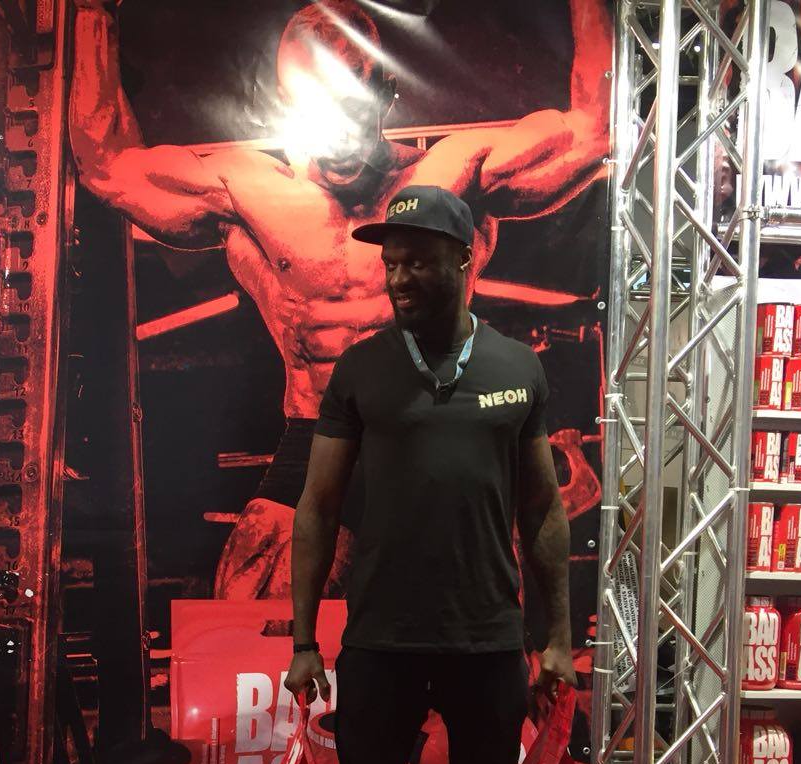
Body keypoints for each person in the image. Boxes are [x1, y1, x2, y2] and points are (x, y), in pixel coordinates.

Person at [69, 0, 609, 599]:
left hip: (430, 440)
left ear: (386, 93)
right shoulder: (251, 192)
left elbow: (593, 132)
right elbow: (106, 166)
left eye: (350, 108)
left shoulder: (452, 176)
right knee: (247, 622)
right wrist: (93, 12)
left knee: (464, 630)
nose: (337, 137)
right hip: (316, 440)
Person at [281, 185, 576, 764]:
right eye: (391, 261)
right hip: (382, 641)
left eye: (417, 259)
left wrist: (556, 637)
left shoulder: (516, 368)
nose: (399, 275)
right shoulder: (363, 371)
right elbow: (317, 506)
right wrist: (303, 638)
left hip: (486, 639)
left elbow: (543, 509)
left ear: (463, 258)